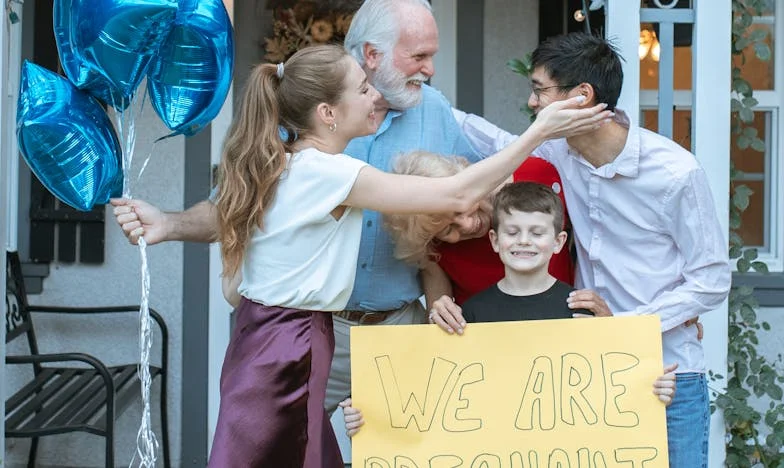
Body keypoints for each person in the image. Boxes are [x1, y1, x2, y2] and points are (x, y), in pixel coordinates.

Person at [111, 0, 568, 416]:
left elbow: (471, 206)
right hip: (316, 334)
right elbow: (235, 209)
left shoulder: (434, 112)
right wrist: (170, 224)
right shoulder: (309, 146)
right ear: (371, 55)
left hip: (399, 327)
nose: (430, 70)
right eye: (419, 56)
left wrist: (452, 297)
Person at [162, 42, 610, 466]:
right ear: (328, 113)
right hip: (288, 342)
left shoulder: (286, 162)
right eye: (362, 88)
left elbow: (234, 281)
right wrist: (540, 131)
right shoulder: (327, 172)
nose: (375, 95)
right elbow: (457, 193)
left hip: (277, 335)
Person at [433, 32, 730, 468]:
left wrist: (626, 325)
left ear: (580, 97)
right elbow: (497, 143)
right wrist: (420, 96)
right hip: (585, 373)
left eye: (539, 90)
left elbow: (712, 278)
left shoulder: (675, 173)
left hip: (668, 372)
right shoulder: (558, 151)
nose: (532, 103)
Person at [340, 181, 678, 438]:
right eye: (513, 232)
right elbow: (434, 398)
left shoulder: (581, 311)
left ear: (558, 243)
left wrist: (652, 389)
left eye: (537, 233)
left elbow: (611, 390)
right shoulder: (470, 316)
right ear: (495, 241)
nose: (524, 241)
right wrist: (369, 414)